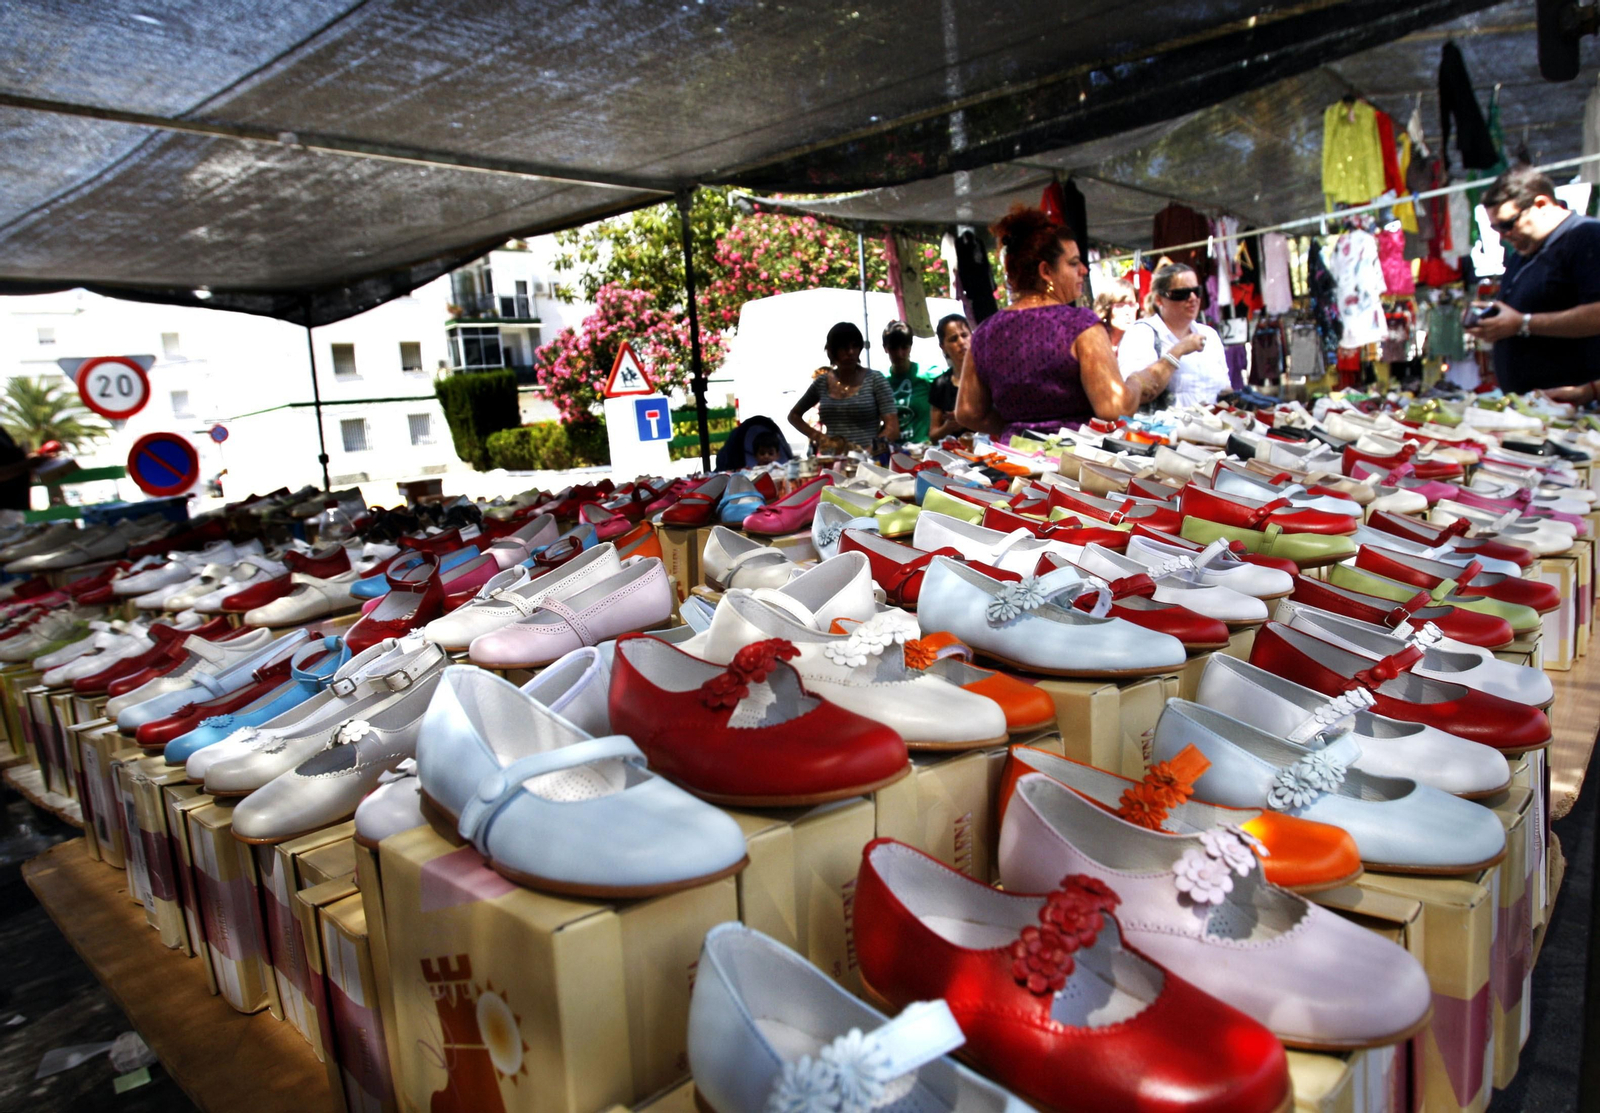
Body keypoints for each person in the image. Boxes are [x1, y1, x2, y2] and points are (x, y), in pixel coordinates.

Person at [955, 206, 1173, 440]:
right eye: (1073, 263)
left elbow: (967, 412)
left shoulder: (985, 332)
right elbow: (1114, 407)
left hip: (1014, 464)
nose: (1084, 270)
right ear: (1046, 271)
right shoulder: (1080, 325)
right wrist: (1137, 382)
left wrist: (1018, 431)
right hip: (1076, 465)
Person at [1465, 166, 1600, 393]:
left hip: (1572, 407)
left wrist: (1523, 323)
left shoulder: (1586, 236)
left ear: (1541, 205)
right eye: (1496, 228)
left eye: (1508, 224)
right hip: (1533, 408)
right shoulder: (1523, 252)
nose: (1502, 235)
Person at [1116, 263, 1231, 407]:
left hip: (1213, 426)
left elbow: (1225, 388)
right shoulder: (1141, 334)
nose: (1193, 298)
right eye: (1181, 293)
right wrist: (1178, 351)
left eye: (1197, 291)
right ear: (1159, 300)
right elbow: (1136, 394)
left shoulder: (1210, 335)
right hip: (1163, 428)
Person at [788, 322, 899, 451]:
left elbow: (893, 428)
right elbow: (794, 416)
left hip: (869, 461)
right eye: (844, 348)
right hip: (832, 460)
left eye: (855, 346)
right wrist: (820, 438)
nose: (850, 352)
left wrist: (868, 452)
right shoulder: (822, 382)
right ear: (832, 351)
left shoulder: (875, 379)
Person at [882, 320, 932, 442]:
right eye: (893, 348)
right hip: (892, 454)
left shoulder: (927, 375)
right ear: (885, 348)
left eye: (904, 347)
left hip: (923, 452)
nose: (899, 354)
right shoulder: (880, 381)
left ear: (910, 347)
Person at [929, 313, 969, 440]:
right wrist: (948, 427)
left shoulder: (988, 378)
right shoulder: (941, 384)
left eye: (964, 335)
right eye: (953, 339)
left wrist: (969, 419)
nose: (961, 342)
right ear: (943, 347)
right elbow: (933, 434)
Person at [714, 415, 794, 471]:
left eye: (770, 453)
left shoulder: (781, 469)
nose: (766, 456)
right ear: (755, 456)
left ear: (778, 455)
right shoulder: (753, 471)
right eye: (762, 453)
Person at [1093, 279, 1140, 355]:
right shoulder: (1094, 342)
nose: (1128, 311)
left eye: (1131, 304)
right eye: (1120, 306)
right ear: (1106, 309)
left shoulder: (1144, 342)